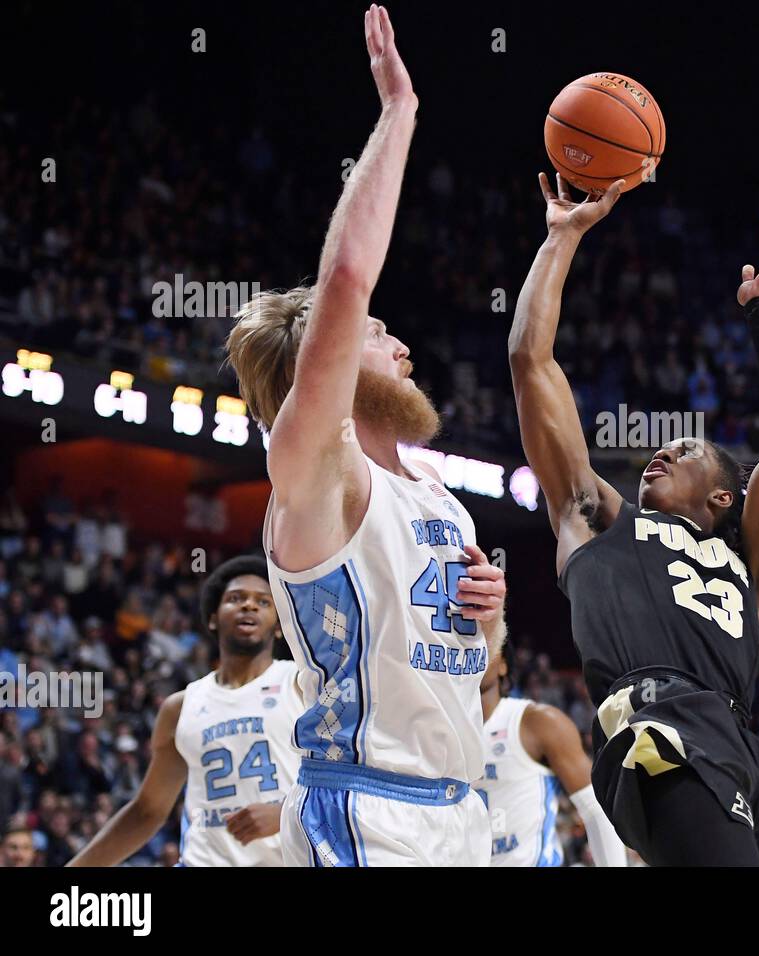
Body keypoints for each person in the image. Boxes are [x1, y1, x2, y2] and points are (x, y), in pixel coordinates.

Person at [224, 6, 505, 866]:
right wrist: (399, 114)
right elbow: (345, 278)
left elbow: (471, 673)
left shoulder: (439, 500)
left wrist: (489, 624)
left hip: (461, 812)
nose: (403, 347)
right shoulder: (315, 472)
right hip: (369, 813)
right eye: (382, 336)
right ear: (338, 360)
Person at [509, 175, 759, 865]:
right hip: (657, 726)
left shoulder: (749, 563)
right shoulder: (593, 520)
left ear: (723, 498)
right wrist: (561, 239)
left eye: (685, 451)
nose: (661, 451)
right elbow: (531, 362)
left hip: (744, 750)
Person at [70, 557, 300, 866]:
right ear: (213, 618)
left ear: (279, 628)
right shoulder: (180, 707)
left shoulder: (302, 684)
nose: (249, 606)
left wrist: (287, 813)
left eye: (263, 601)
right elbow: (147, 811)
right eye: (235, 599)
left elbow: (346, 780)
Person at [475, 641, 625, 866]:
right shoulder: (437, 731)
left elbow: (596, 810)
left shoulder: (536, 722)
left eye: (484, 646)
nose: (474, 652)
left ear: (504, 664)